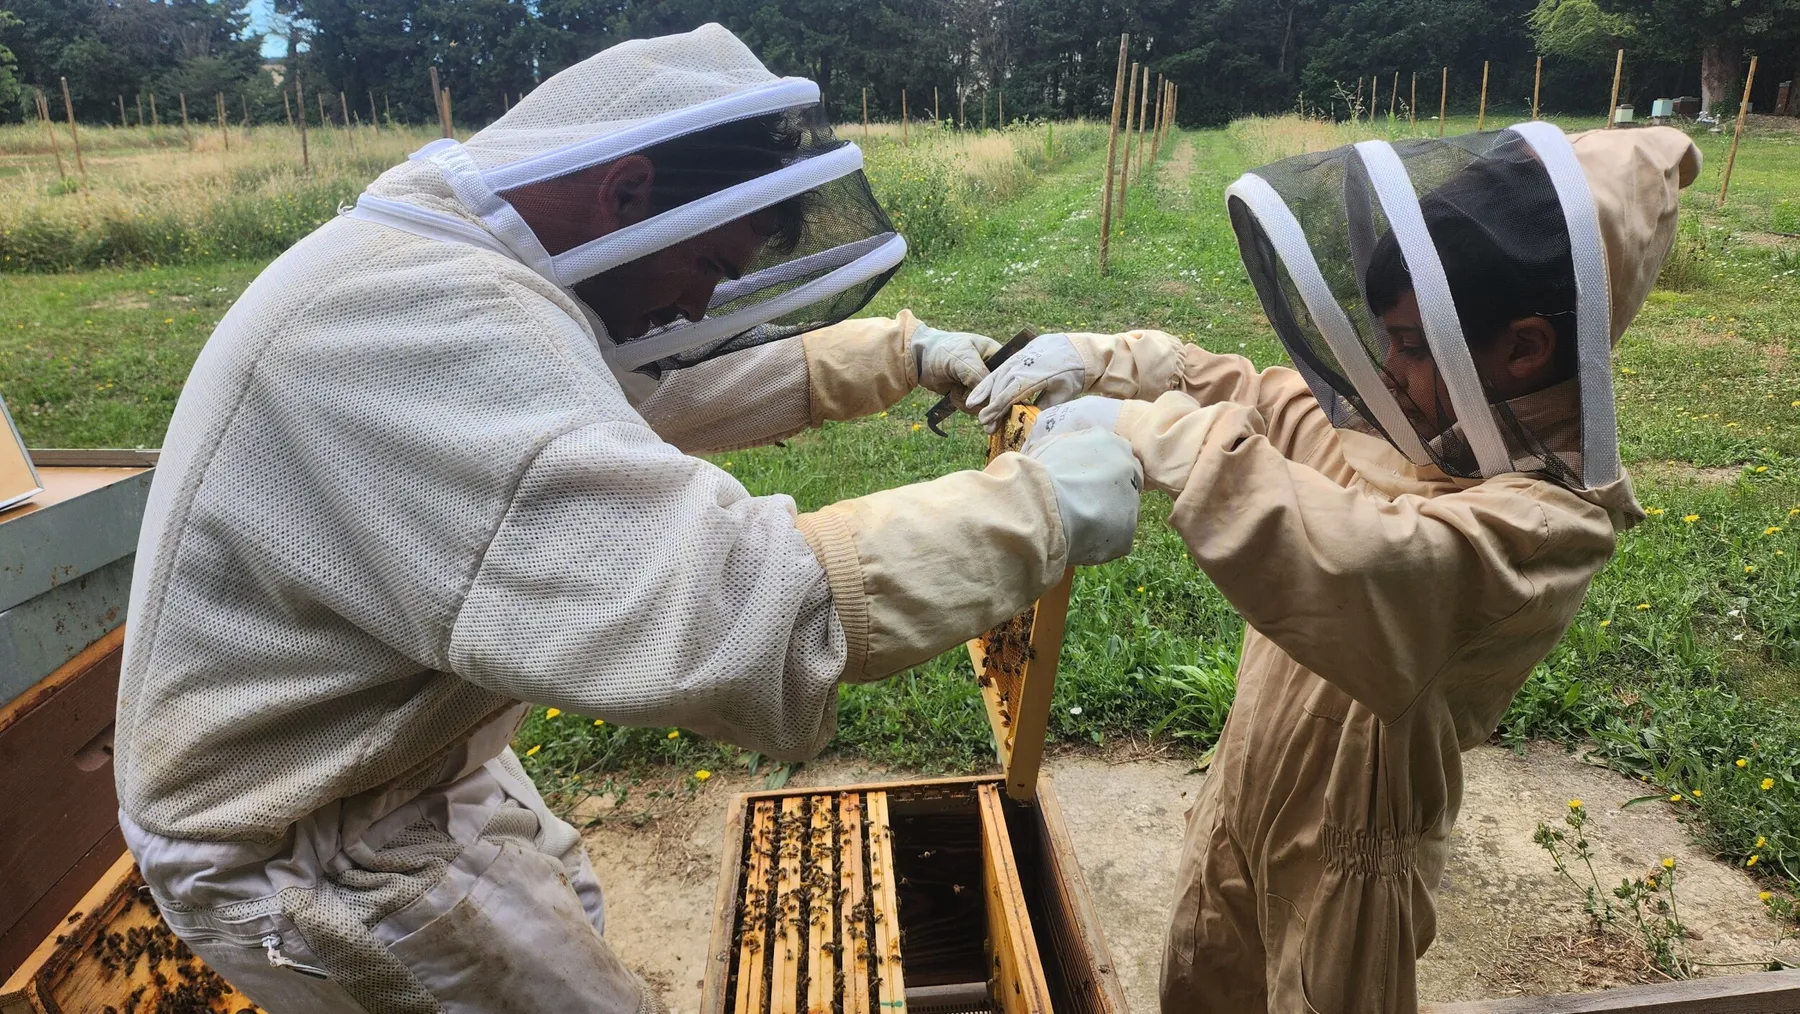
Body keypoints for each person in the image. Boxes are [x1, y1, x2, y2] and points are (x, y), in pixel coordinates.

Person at [112, 24, 1142, 1014]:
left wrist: (896, 355)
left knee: (575, 909)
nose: (696, 313)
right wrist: (1039, 512)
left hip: (392, 768)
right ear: (629, 192)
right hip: (303, 841)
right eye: (708, 269)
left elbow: (620, 400)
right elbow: (741, 612)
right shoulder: (416, 330)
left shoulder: (451, 257)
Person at [970, 124, 1700, 1013]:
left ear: (1525, 350)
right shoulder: (1419, 437)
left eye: (1410, 345)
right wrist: (1118, 362)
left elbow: (1367, 559)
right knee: (1202, 974)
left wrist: (1153, 435)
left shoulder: (1545, 529)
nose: (1386, 370)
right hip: (1244, 791)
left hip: (1351, 864)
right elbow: (1269, 403)